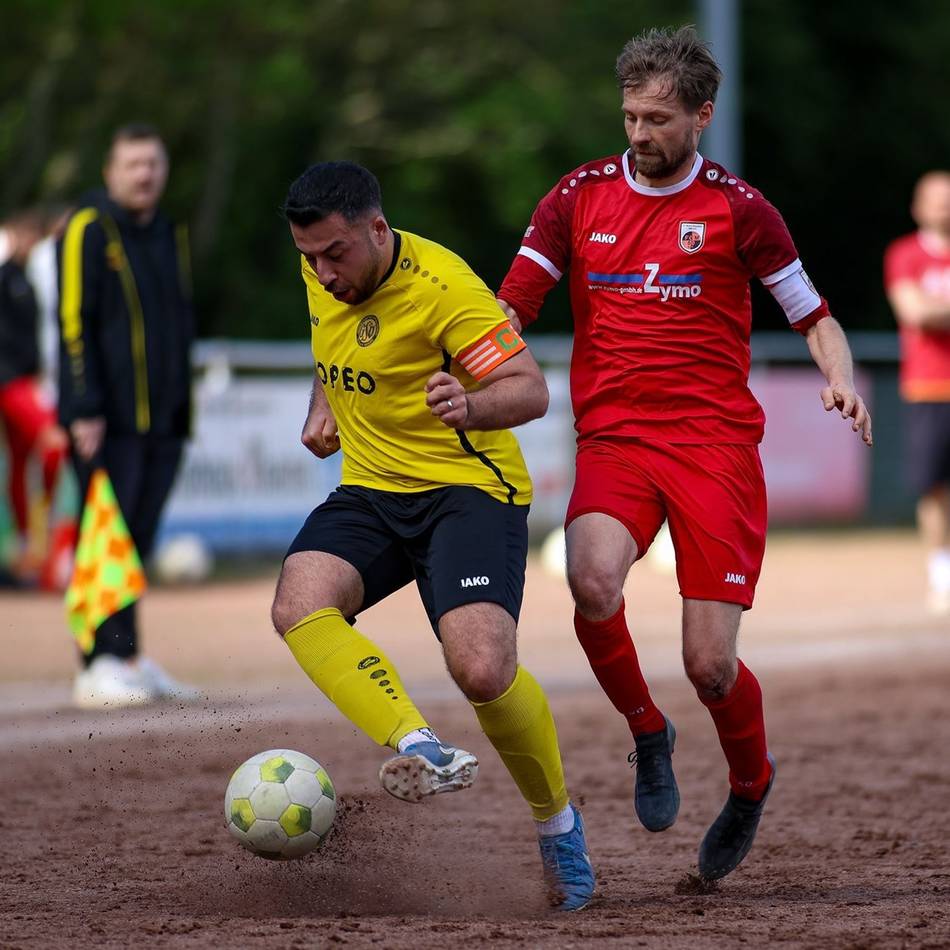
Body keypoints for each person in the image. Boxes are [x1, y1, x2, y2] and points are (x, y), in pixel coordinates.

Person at [496, 25, 872, 883]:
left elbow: (815, 317)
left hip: (714, 449)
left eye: (659, 118)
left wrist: (842, 379)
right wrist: (461, 363)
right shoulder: (576, 197)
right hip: (617, 438)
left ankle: (749, 782)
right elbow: (511, 304)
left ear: (702, 116)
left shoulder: (742, 210)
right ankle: (646, 733)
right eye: (630, 115)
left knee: (709, 663)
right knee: (591, 581)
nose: (638, 134)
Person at [271, 160, 595, 911]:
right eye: (308, 257)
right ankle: (420, 745)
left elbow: (530, 390)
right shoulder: (323, 270)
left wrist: (469, 405)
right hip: (373, 489)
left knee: (481, 669)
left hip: (467, 491)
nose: (322, 272)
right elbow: (335, 335)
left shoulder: (444, 290)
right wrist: (322, 401)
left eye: (335, 255)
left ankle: (558, 826)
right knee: (299, 604)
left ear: (378, 230)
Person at [57, 123, 197, 708]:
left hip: (162, 420)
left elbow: (180, 320)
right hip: (106, 422)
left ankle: (130, 657)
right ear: (111, 170)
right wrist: (84, 408)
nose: (145, 174)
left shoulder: (169, 231)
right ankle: (98, 663)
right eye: (134, 164)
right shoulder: (89, 229)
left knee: (136, 541)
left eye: (154, 164)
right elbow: (73, 323)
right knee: (105, 540)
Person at [884, 171, 950, 614]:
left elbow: (930, 312)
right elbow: (914, 313)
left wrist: (935, 310)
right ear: (918, 206)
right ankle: (941, 573)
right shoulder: (905, 254)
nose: (944, 206)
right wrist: (929, 313)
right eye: (937, 199)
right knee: (933, 487)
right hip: (930, 385)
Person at [0, 208, 68, 583]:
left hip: (27, 379)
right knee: (52, 443)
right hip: (11, 383)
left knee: (20, 461)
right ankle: (35, 542)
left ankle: (31, 546)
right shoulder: (7, 277)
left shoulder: (30, 277)